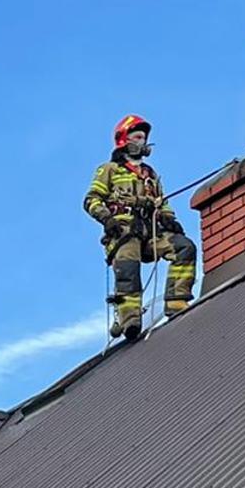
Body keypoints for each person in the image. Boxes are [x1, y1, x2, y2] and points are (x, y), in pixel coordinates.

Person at [83, 114, 197, 339]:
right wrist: (108, 219)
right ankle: (130, 321)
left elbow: (161, 201)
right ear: (124, 140)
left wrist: (168, 218)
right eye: (137, 137)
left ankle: (176, 301)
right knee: (128, 271)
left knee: (185, 247)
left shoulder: (150, 174)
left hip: (152, 230)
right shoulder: (109, 170)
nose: (142, 142)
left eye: (144, 138)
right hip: (124, 232)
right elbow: (91, 199)